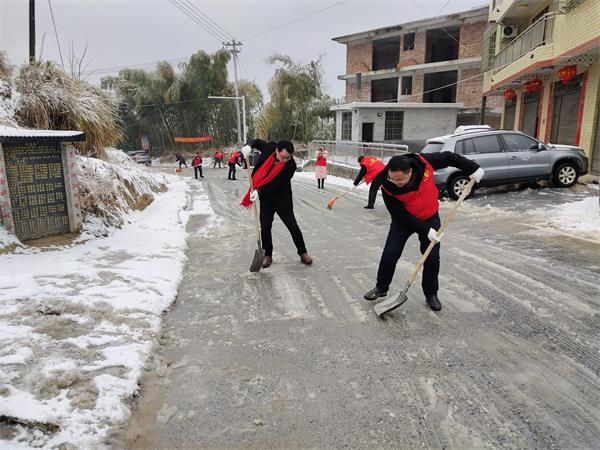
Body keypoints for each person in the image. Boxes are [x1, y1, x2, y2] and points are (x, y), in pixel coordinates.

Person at [363, 152, 484, 311]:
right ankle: (381, 287)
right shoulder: (386, 184)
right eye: (393, 178)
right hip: (404, 221)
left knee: (432, 258)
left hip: (430, 216)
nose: (396, 182)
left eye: (400, 179)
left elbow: (449, 157)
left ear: (410, 172)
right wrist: (425, 230)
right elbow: (398, 214)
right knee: (390, 253)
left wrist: (473, 168)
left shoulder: (423, 163)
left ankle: (431, 294)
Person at [240, 139, 312, 268]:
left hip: (282, 199)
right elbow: (256, 142)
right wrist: (248, 147)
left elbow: (274, 184)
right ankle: (267, 255)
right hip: (267, 200)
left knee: (293, 227)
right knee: (265, 227)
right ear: (276, 150)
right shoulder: (269, 148)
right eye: (283, 157)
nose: (285, 160)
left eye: (288, 158)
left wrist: (258, 190)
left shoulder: (290, 166)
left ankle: (303, 252)